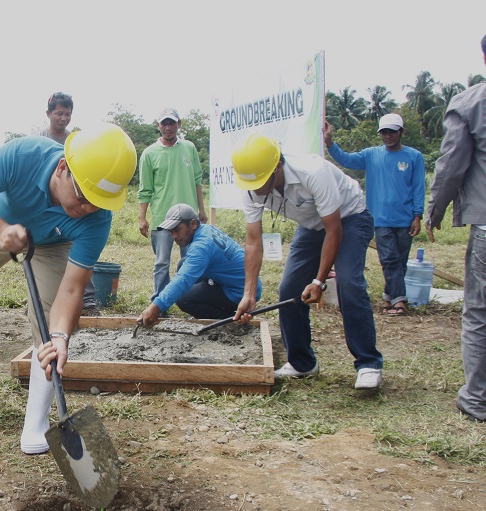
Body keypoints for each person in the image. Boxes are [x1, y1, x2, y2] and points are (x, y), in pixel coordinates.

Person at [0, 125, 137, 454]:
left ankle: (36, 423)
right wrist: (0, 229)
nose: (87, 209)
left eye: (98, 203)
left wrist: (60, 337)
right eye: (83, 197)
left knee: (51, 326)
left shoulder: (97, 220)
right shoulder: (22, 156)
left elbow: (72, 289)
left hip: (53, 243)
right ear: (63, 168)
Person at [231, 133, 383, 390]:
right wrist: (249, 293)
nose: (255, 189)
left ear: (277, 167)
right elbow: (253, 242)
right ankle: (302, 363)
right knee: (289, 289)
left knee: (348, 283)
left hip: (349, 218)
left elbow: (333, 230)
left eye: (260, 182)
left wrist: (319, 281)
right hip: (312, 225)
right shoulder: (251, 188)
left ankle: (368, 363)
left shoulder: (313, 172)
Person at [426, 34, 486, 423]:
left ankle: (477, 398)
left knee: (479, 312)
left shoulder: (471, 103)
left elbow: (451, 166)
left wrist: (434, 210)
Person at [324, 114, 425, 316]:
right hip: (380, 218)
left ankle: (390, 296)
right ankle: (399, 300)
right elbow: (346, 159)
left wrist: (417, 215)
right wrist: (330, 143)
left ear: (401, 132)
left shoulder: (414, 156)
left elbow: (418, 187)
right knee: (389, 259)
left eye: (392, 132)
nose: (388, 136)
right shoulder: (371, 154)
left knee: (400, 261)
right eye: (384, 132)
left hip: (405, 218)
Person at [138, 204, 261, 325]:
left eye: (177, 230)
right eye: (171, 232)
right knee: (183, 264)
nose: (174, 236)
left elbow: (183, 279)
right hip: (238, 281)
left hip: (240, 292)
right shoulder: (206, 229)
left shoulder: (201, 246)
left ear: (193, 224)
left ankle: (230, 319)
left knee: (183, 299)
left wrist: (156, 306)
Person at [37, 91, 100, 317]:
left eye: (68, 114)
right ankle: (48, 298)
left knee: (81, 246)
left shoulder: (75, 142)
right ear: (48, 114)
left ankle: (87, 300)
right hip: (49, 203)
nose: (63, 118)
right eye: (59, 113)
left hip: (75, 201)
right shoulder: (41, 139)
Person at [138, 108, 207, 305]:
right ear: (158, 126)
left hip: (189, 218)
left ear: (179, 124)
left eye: (172, 123)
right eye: (164, 124)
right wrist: (142, 217)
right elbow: (145, 189)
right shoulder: (149, 153)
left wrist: (201, 210)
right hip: (163, 217)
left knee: (191, 260)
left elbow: (197, 181)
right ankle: (160, 303)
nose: (168, 128)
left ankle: (192, 300)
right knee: (161, 263)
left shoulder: (189, 148)